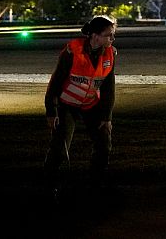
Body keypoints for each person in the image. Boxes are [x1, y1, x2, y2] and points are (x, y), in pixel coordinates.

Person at [44, 15, 117, 199]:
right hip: (67, 105)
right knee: (59, 149)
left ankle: (95, 185)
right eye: (109, 35)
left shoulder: (110, 53)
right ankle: (49, 186)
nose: (112, 39)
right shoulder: (72, 51)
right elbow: (55, 82)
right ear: (95, 36)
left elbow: (109, 87)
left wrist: (106, 118)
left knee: (104, 144)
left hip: (91, 104)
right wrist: (51, 111)